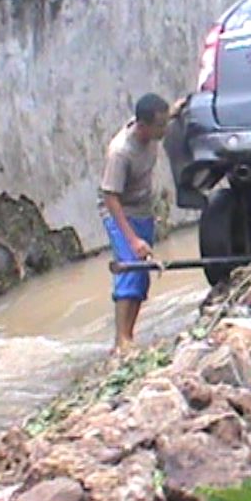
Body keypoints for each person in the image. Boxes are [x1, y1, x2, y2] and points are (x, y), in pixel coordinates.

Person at [99, 93, 181, 351]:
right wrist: (132, 240)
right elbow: (110, 196)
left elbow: (170, 114)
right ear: (143, 125)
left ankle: (128, 336)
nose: (165, 130)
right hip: (119, 212)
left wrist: (181, 106)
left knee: (141, 277)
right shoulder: (121, 152)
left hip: (143, 210)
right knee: (131, 269)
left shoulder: (152, 131)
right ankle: (121, 342)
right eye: (160, 125)